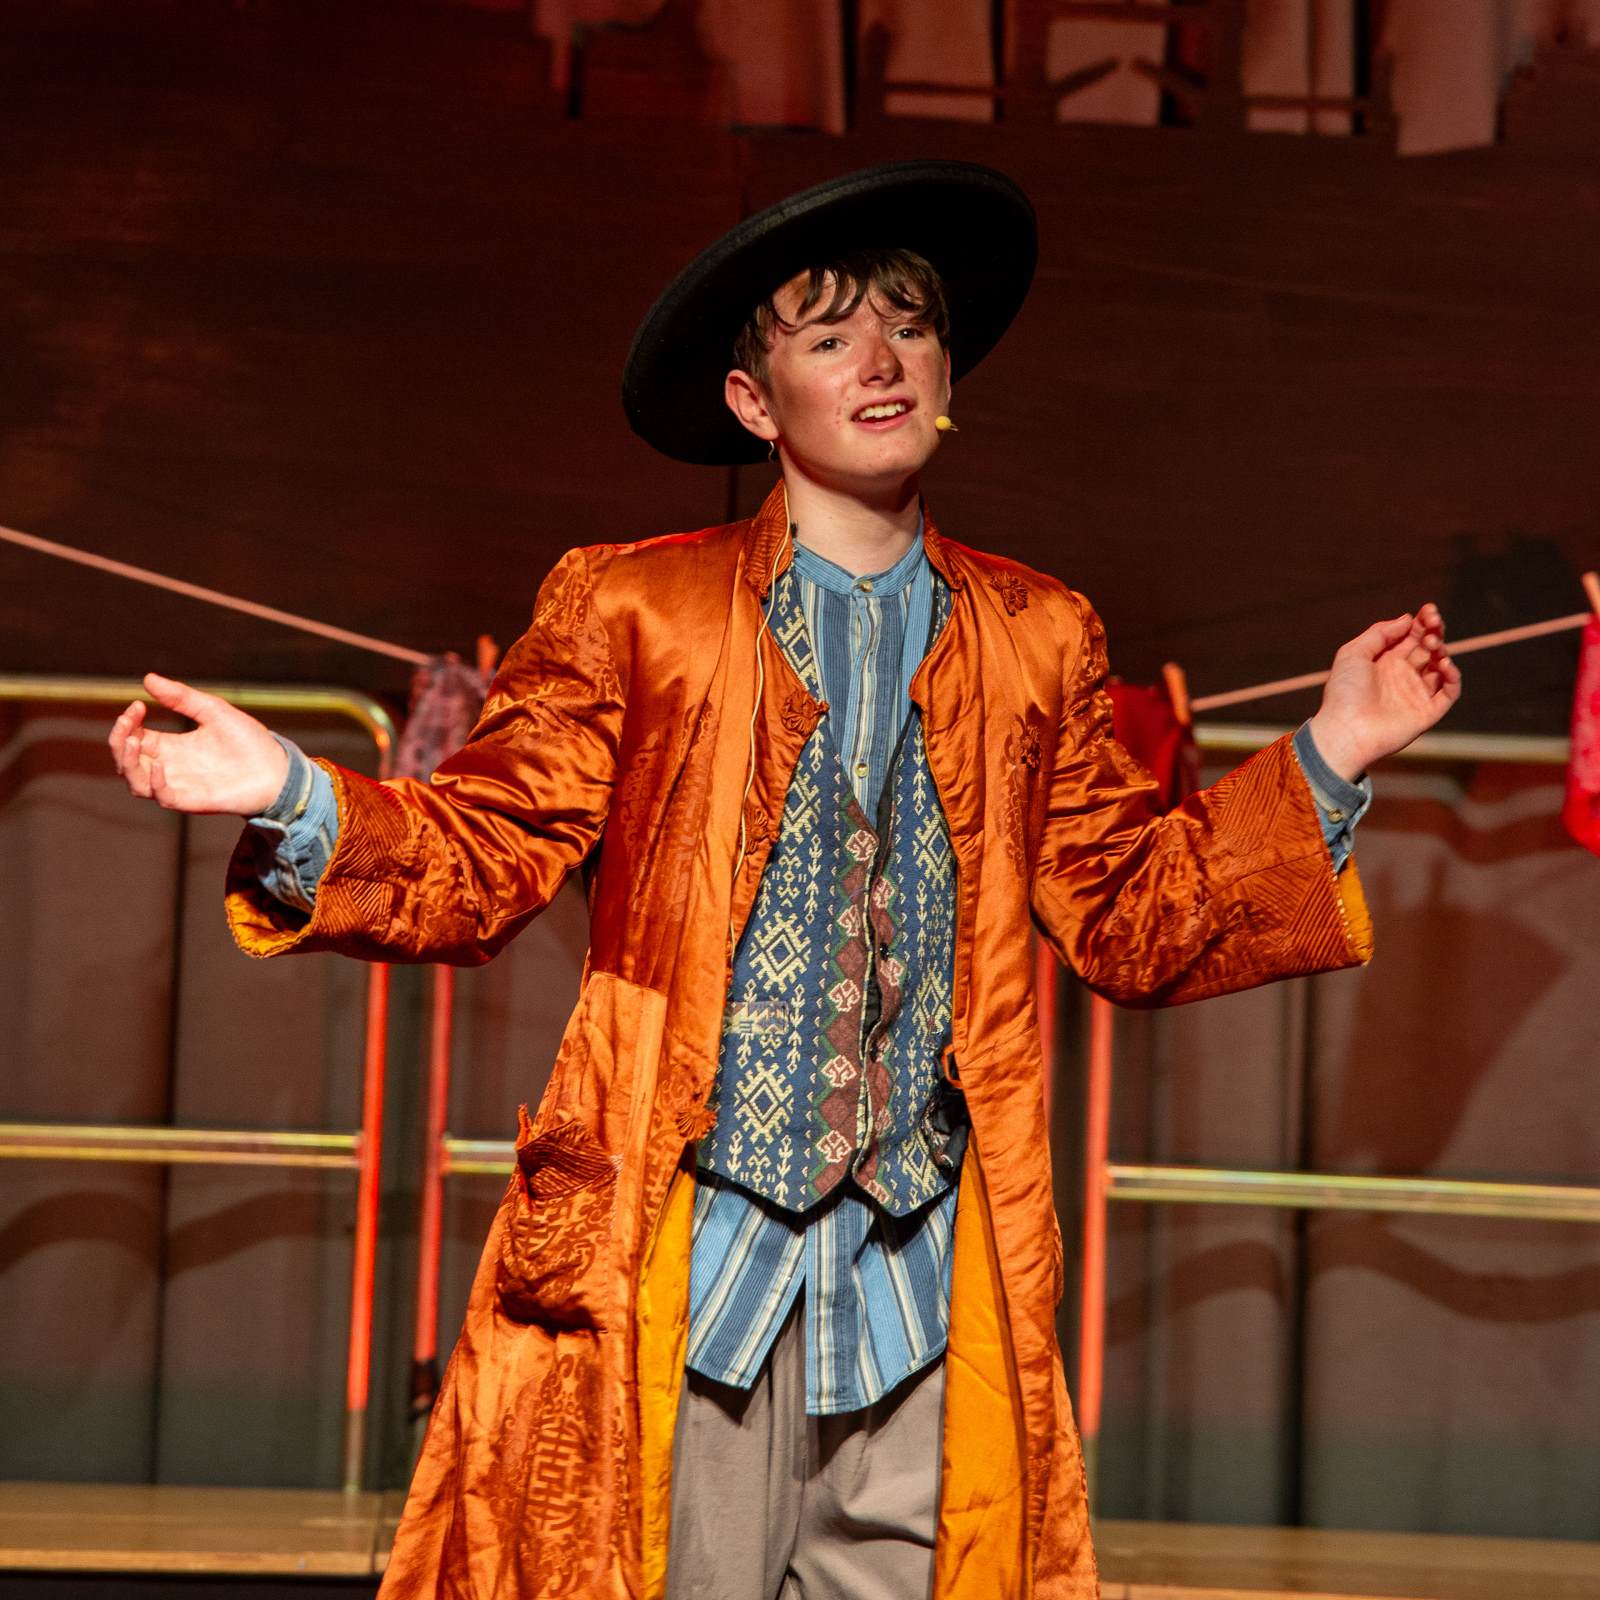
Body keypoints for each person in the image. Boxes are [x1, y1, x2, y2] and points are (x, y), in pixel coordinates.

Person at [108, 162, 1459, 1599]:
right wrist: (291, 792)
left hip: (923, 1285)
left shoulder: (1039, 632)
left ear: (949, 376)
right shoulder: (638, 605)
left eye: (911, 330)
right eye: (829, 336)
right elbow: (483, 853)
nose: (881, 361)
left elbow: (1133, 910)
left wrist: (1332, 750)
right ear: (756, 402)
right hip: (696, 1267)